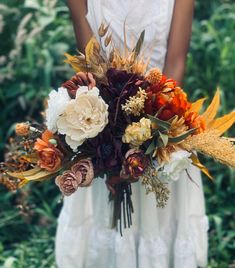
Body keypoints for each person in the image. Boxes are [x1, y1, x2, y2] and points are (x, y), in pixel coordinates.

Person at [55, 0, 209, 267]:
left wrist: (147, 138)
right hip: (103, 128)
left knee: (158, 227)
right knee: (108, 234)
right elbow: (91, 67)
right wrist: (114, 139)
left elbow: (176, 64)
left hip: (161, 127)